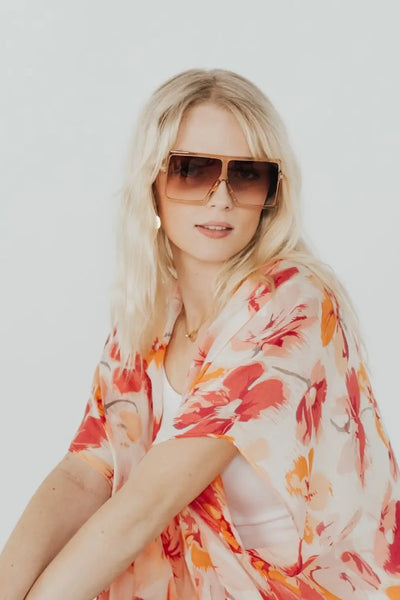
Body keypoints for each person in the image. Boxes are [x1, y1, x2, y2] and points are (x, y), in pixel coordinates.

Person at [1, 68, 399, 600]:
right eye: (191, 171)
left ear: (272, 193)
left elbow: (147, 504)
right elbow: (85, 472)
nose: (221, 198)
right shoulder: (154, 314)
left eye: (247, 175)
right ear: (152, 183)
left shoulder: (291, 303)